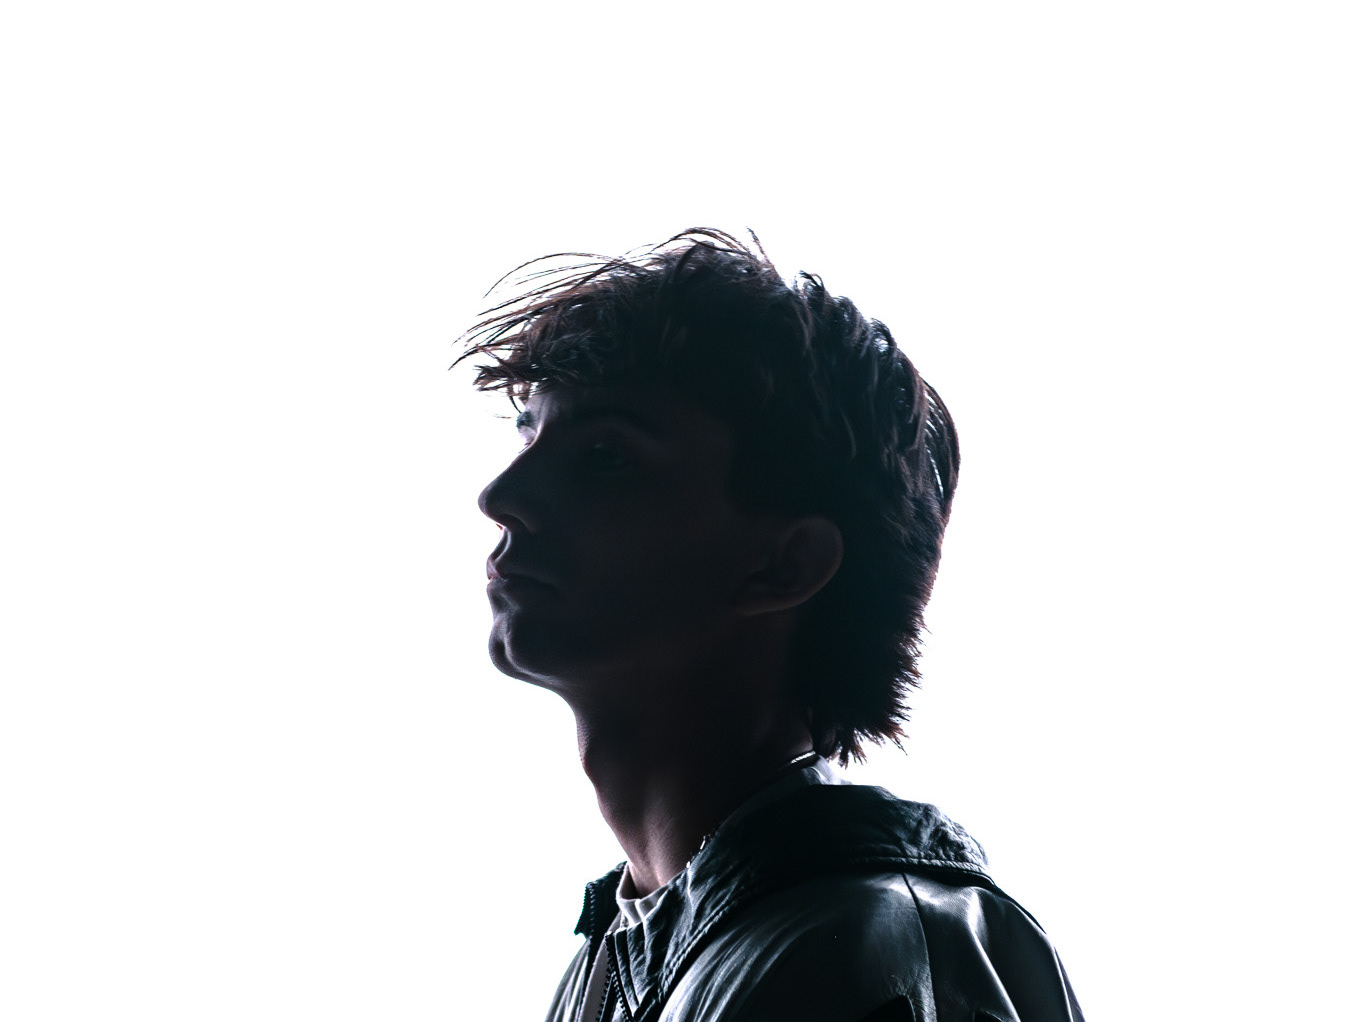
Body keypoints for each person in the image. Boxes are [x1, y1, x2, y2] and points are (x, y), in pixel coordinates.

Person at [458, 229, 1084, 1022]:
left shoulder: (858, 950)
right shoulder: (617, 962)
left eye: (607, 456)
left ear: (783, 566)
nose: (501, 495)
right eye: (528, 435)